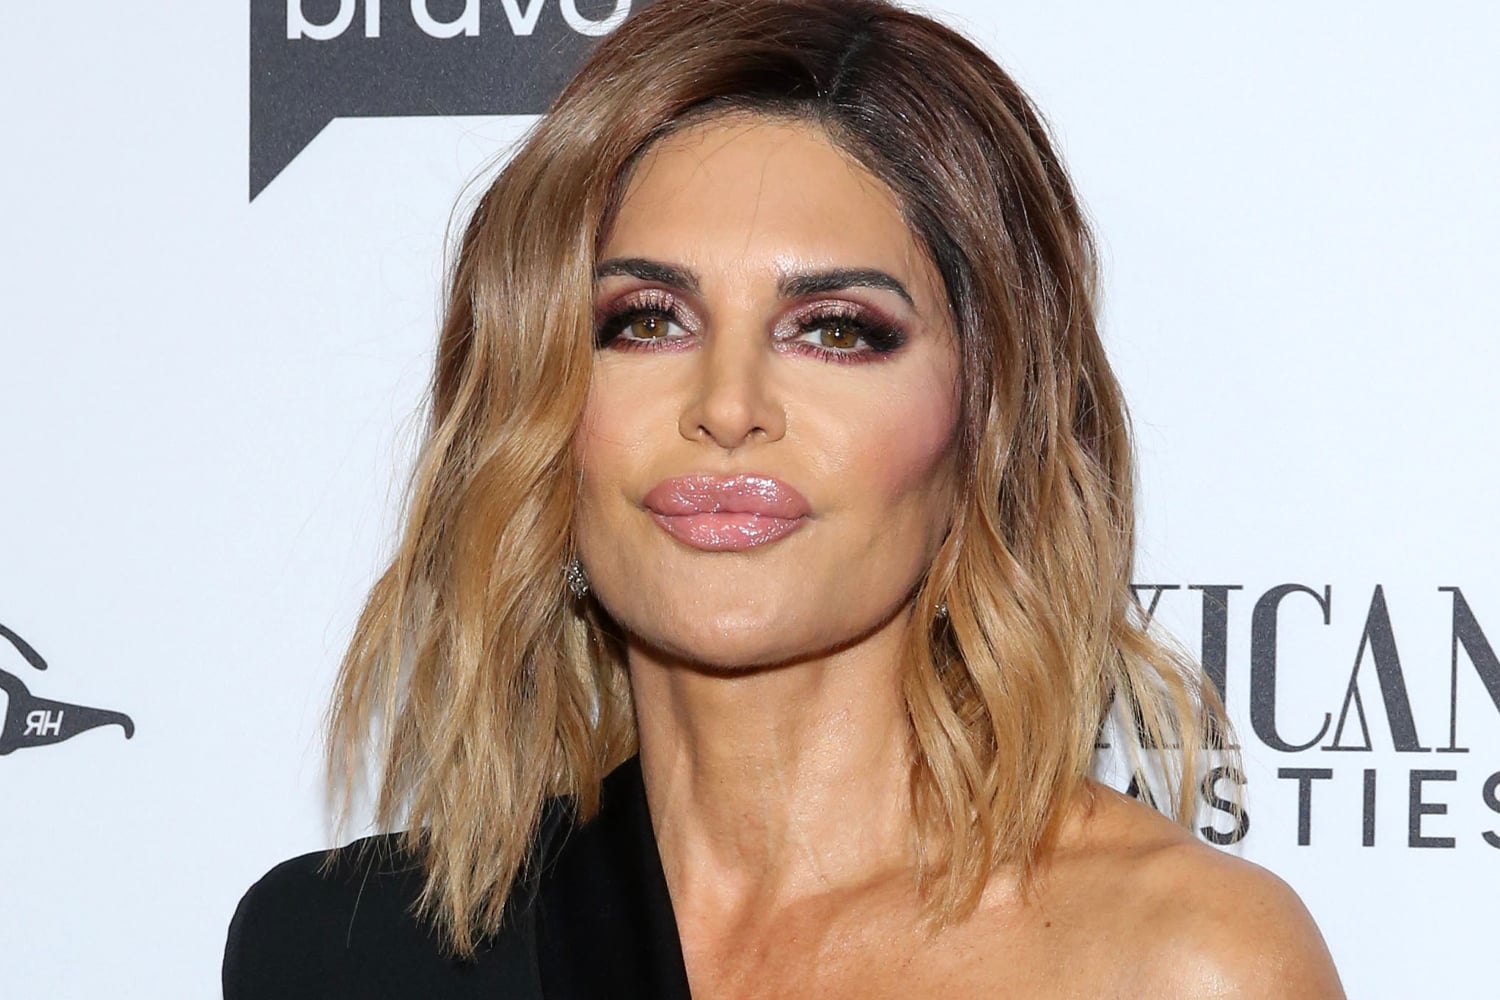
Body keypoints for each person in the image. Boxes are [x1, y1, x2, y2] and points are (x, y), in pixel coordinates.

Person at [224, 1, 1346, 996]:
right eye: (646, 321)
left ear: (988, 423)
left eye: (837, 330)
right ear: (539, 406)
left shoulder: (1181, 963)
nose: (728, 406)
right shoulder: (343, 953)